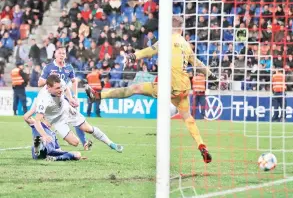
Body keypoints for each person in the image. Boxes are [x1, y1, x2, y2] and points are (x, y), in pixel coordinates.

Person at [85, 16, 217, 164]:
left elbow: (148, 51)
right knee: (188, 119)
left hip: (167, 87)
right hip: (184, 88)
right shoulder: (186, 45)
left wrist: (134, 55)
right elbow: (198, 64)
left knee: (133, 89)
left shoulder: (165, 41)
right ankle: (201, 145)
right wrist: (212, 76)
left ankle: (98, 95)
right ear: (181, 29)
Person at [35, 75, 124, 153]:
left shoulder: (59, 82)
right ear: (48, 87)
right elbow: (37, 121)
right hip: (57, 120)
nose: (60, 90)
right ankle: (40, 140)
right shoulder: (43, 99)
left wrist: (70, 99)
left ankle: (111, 144)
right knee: (75, 142)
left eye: (60, 87)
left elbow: (66, 89)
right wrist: (44, 135)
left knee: (88, 129)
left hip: (66, 109)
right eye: (57, 88)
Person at [38, 47, 91, 150]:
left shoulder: (69, 67)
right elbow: (40, 82)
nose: (62, 55)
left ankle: (84, 142)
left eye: (63, 53)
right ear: (55, 54)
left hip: (65, 97)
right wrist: (51, 78)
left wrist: (75, 95)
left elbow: (74, 81)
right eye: (59, 53)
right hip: (53, 99)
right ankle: (44, 141)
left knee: (76, 117)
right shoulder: (49, 67)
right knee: (49, 122)